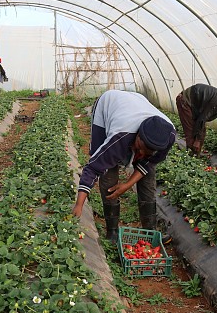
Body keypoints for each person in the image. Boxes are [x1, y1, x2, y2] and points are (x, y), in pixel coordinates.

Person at [72, 89, 176, 242]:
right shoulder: (121, 136)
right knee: (108, 174)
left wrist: (127, 184)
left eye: (147, 153)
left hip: (135, 103)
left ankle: (150, 232)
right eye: (139, 149)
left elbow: (149, 163)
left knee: (148, 178)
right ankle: (112, 231)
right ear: (138, 135)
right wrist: (79, 205)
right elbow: (93, 168)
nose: (139, 155)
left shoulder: (168, 136)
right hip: (107, 105)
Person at [176, 84, 217, 155]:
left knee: (201, 132)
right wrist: (197, 141)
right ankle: (190, 156)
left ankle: (196, 154)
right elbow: (202, 119)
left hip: (194, 105)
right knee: (191, 131)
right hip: (185, 101)